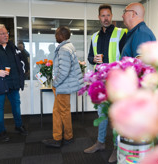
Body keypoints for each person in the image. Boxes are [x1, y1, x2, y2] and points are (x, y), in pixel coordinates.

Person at [85, 4, 127, 163]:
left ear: (111, 16)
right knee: (101, 114)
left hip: (116, 81)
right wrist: (93, 59)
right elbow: (90, 57)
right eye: (103, 16)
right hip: (100, 82)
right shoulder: (94, 37)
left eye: (108, 15)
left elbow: (125, 57)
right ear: (99, 18)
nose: (106, 18)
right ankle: (100, 143)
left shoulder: (121, 33)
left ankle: (117, 148)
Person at [42, 26, 84, 148]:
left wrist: (55, 83)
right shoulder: (68, 47)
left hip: (62, 86)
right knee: (58, 111)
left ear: (61, 36)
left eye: (56, 34)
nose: (55, 36)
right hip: (64, 86)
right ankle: (59, 136)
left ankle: (66, 137)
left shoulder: (64, 49)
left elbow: (64, 71)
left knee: (63, 112)